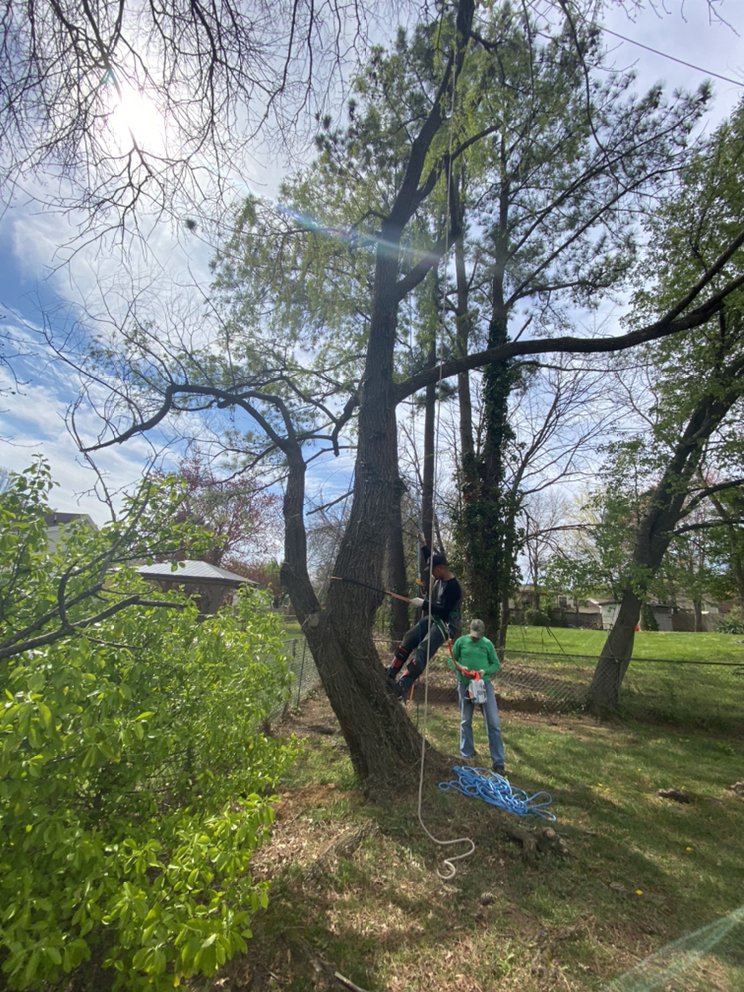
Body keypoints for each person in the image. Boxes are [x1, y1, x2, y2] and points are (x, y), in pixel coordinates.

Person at [386, 542, 462, 699]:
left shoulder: (453, 587)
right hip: (436, 617)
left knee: (422, 650)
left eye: (433, 570)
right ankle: (391, 671)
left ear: (441, 568)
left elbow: (445, 611)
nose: (432, 574)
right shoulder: (440, 576)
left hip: (447, 623)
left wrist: (424, 604)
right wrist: (423, 546)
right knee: (409, 637)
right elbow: (431, 558)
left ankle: (402, 687)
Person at [448, 618, 506, 776]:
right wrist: (460, 668)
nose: (475, 637)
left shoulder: (487, 644)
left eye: (478, 635)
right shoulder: (461, 642)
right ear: (470, 630)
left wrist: (484, 671)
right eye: (473, 635)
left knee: (493, 722)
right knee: (465, 720)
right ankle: (466, 755)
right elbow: (451, 660)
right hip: (466, 685)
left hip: (483, 686)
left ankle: (498, 762)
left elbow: (496, 664)